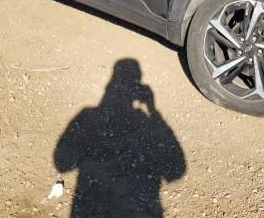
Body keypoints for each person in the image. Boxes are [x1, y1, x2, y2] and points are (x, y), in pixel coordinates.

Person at [54, 58, 186, 217]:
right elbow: (176, 170)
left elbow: (62, 163)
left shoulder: (88, 116)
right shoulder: (142, 121)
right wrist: (152, 110)